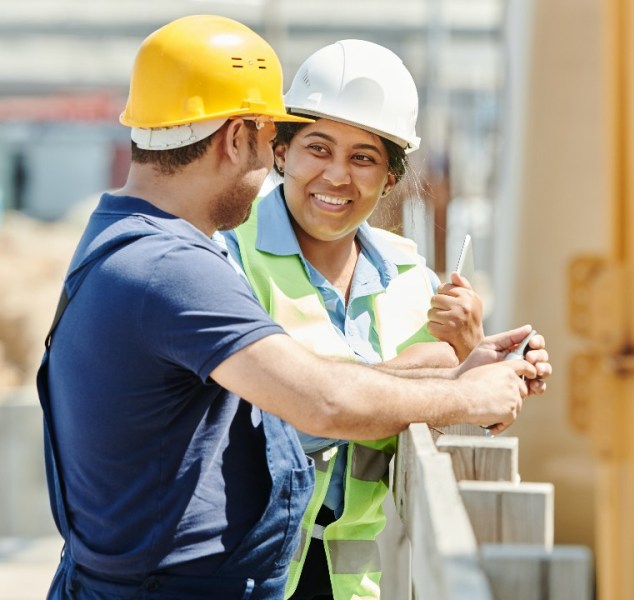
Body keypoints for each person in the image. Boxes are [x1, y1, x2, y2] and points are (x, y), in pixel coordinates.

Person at [36, 15, 550, 600]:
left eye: (363, 158)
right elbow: (319, 402)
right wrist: (465, 395)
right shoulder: (176, 268)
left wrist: (459, 368)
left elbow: (308, 391)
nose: (271, 166)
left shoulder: (133, 243)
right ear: (238, 138)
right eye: (274, 141)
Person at [224, 39, 492, 600]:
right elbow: (269, 415)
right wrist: (420, 370)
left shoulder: (413, 280)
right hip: (239, 576)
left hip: (350, 585)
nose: (337, 175)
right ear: (281, 152)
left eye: (364, 158)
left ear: (390, 177)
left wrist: (474, 353)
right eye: (318, 148)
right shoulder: (229, 258)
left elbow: (455, 419)